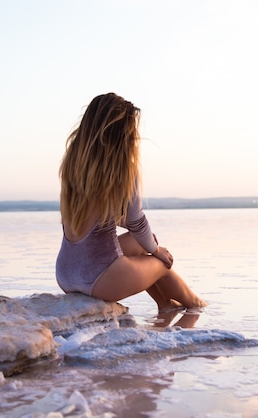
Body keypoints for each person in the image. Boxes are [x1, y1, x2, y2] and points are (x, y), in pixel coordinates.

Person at [55, 93, 206, 314]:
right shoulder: (123, 168)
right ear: (121, 133)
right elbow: (136, 221)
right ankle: (197, 306)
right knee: (161, 264)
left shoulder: (73, 164)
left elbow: (100, 218)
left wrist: (150, 245)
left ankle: (165, 306)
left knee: (142, 244)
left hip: (66, 273)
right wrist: (157, 251)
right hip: (99, 278)